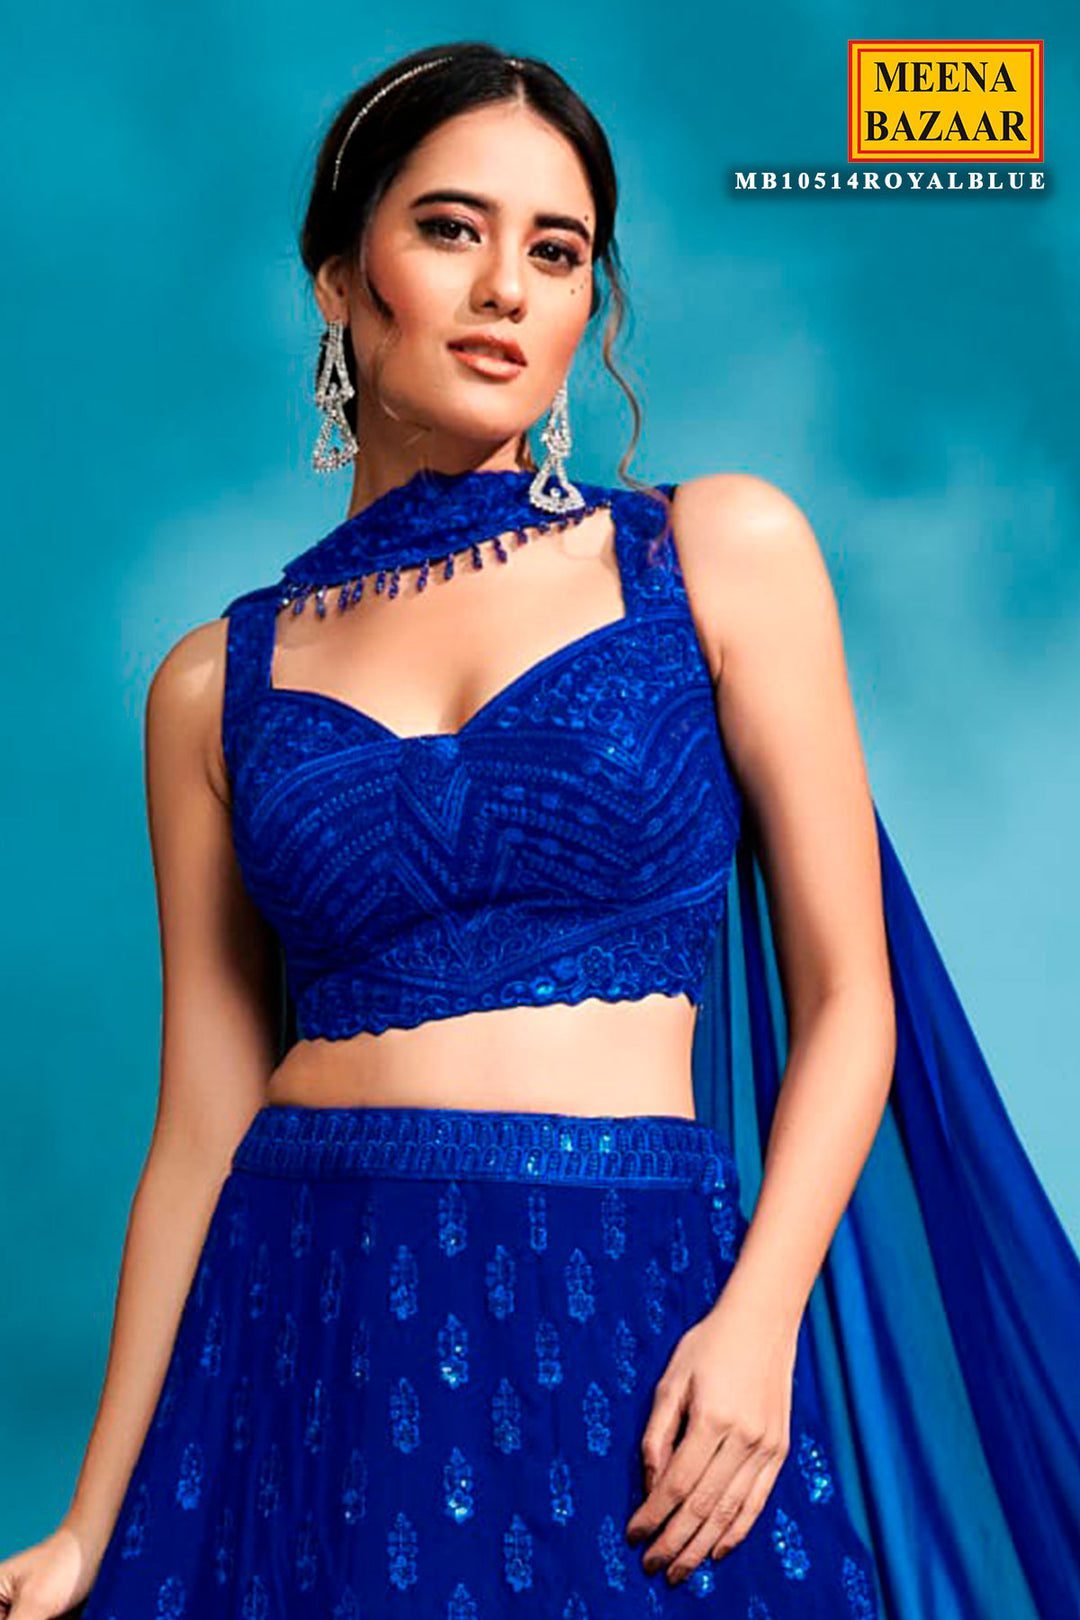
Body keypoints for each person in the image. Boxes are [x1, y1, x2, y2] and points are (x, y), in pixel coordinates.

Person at [2, 41, 1077, 1620]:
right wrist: (91, 1522)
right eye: (451, 228)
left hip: (634, 1297)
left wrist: (759, 1319)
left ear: (589, 307)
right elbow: (197, 1134)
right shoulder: (210, 685)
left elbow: (853, 1001)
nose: (506, 286)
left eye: (557, 250)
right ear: (338, 278)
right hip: (306, 1322)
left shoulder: (715, 555)